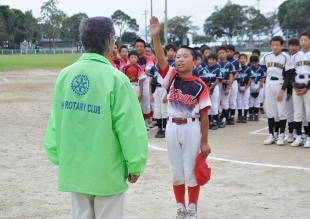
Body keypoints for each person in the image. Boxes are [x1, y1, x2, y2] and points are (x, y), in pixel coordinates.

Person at [44, 17, 148, 219]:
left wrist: (58, 154)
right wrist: (136, 163)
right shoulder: (116, 79)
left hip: (76, 168)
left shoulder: (65, 75)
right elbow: (129, 127)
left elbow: (57, 120)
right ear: (110, 42)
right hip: (107, 171)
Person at [150, 16, 211, 219]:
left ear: (195, 61)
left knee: (191, 170)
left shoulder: (200, 85)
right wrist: (156, 37)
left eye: (185, 56)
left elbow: (204, 115)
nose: (179, 59)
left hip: (191, 128)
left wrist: (204, 142)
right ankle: (181, 207)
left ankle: (192, 207)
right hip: (172, 127)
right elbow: (160, 59)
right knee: (176, 171)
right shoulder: (172, 77)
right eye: (177, 56)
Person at [260, 36, 292, 146]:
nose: (275, 47)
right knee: (270, 109)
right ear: (270, 45)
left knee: (281, 111)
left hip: (280, 83)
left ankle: (281, 135)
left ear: (282, 45)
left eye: (277, 45)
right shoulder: (267, 56)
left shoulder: (286, 57)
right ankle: (271, 135)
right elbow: (261, 66)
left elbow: (288, 75)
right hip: (269, 83)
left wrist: (283, 89)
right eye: (273, 45)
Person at [290, 32, 310, 147]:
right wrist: (294, 85)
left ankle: (309, 137)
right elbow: (291, 72)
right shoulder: (295, 56)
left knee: (309, 112)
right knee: (297, 113)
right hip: (297, 84)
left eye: (305, 40)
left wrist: (307, 87)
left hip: (308, 84)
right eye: (301, 40)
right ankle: (298, 137)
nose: (303, 42)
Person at [134, 39, 155, 130]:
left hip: (145, 81)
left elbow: (146, 72)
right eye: (137, 46)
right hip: (135, 83)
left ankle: (147, 122)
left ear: (144, 47)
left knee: (145, 102)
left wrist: (137, 76)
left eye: (141, 46)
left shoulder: (148, 59)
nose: (139, 48)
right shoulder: (132, 57)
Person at [199, 53, 221, 130]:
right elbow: (202, 79)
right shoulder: (205, 68)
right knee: (207, 105)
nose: (211, 61)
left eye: (213, 60)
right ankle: (208, 121)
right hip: (206, 87)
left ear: (216, 61)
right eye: (210, 59)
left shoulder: (217, 69)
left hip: (214, 87)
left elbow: (217, 80)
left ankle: (215, 121)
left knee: (214, 105)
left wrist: (210, 88)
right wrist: (206, 88)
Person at [285, 39, 300, 143]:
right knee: (289, 112)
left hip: (298, 87)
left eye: (295, 45)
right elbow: (286, 76)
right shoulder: (286, 58)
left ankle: (298, 133)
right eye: (291, 45)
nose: (293, 47)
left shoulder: (300, 57)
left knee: (300, 112)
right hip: (288, 88)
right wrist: (288, 91)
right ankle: (291, 133)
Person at [217, 46, 234, 128]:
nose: (221, 55)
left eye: (223, 53)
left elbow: (231, 77)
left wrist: (228, 87)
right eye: (219, 53)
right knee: (217, 102)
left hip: (226, 85)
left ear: (226, 54)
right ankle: (217, 118)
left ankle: (224, 118)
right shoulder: (216, 64)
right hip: (218, 84)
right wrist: (223, 80)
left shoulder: (229, 64)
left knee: (225, 102)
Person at [226, 45, 241, 125]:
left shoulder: (236, 62)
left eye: (231, 52)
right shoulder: (222, 61)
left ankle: (231, 116)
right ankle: (226, 116)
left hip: (233, 82)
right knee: (225, 100)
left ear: (233, 52)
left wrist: (231, 80)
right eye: (227, 51)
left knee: (232, 100)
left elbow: (237, 73)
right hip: (225, 82)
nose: (229, 53)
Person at [236, 54, 252, 123]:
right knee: (239, 101)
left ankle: (245, 116)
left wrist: (246, 87)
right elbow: (235, 79)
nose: (242, 60)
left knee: (245, 101)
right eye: (241, 58)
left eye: (244, 58)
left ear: (246, 60)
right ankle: (240, 116)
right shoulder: (237, 69)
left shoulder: (248, 69)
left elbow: (250, 78)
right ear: (238, 59)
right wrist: (238, 87)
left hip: (246, 86)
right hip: (238, 86)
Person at [248, 55, 265, 121]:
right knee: (251, 100)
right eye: (252, 63)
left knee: (257, 100)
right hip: (251, 84)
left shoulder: (260, 69)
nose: (254, 64)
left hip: (257, 84)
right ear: (250, 62)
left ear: (258, 62)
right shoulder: (249, 68)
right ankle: (251, 114)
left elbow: (262, 78)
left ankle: (256, 114)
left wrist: (260, 86)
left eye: (255, 63)